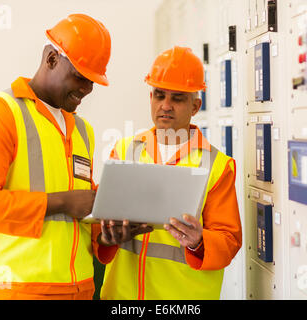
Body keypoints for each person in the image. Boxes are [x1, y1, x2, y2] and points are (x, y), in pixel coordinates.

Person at [0, 13, 151, 300]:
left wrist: (107, 235)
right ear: (51, 59)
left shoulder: (82, 130)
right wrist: (61, 201)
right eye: (80, 77)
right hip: (20, 290)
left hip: (79, 288)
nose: (87, 89)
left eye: (93, 81)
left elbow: (79, 218)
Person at [99, 46, 242, 300]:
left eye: (177, 98)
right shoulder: (123, 151)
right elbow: (99, 227)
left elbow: (228, 241)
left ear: (195, 106)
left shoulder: (216, 165)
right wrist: (106, 236)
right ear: (150, 98)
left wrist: (199, 242)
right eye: (159, 95)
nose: (165, 105)